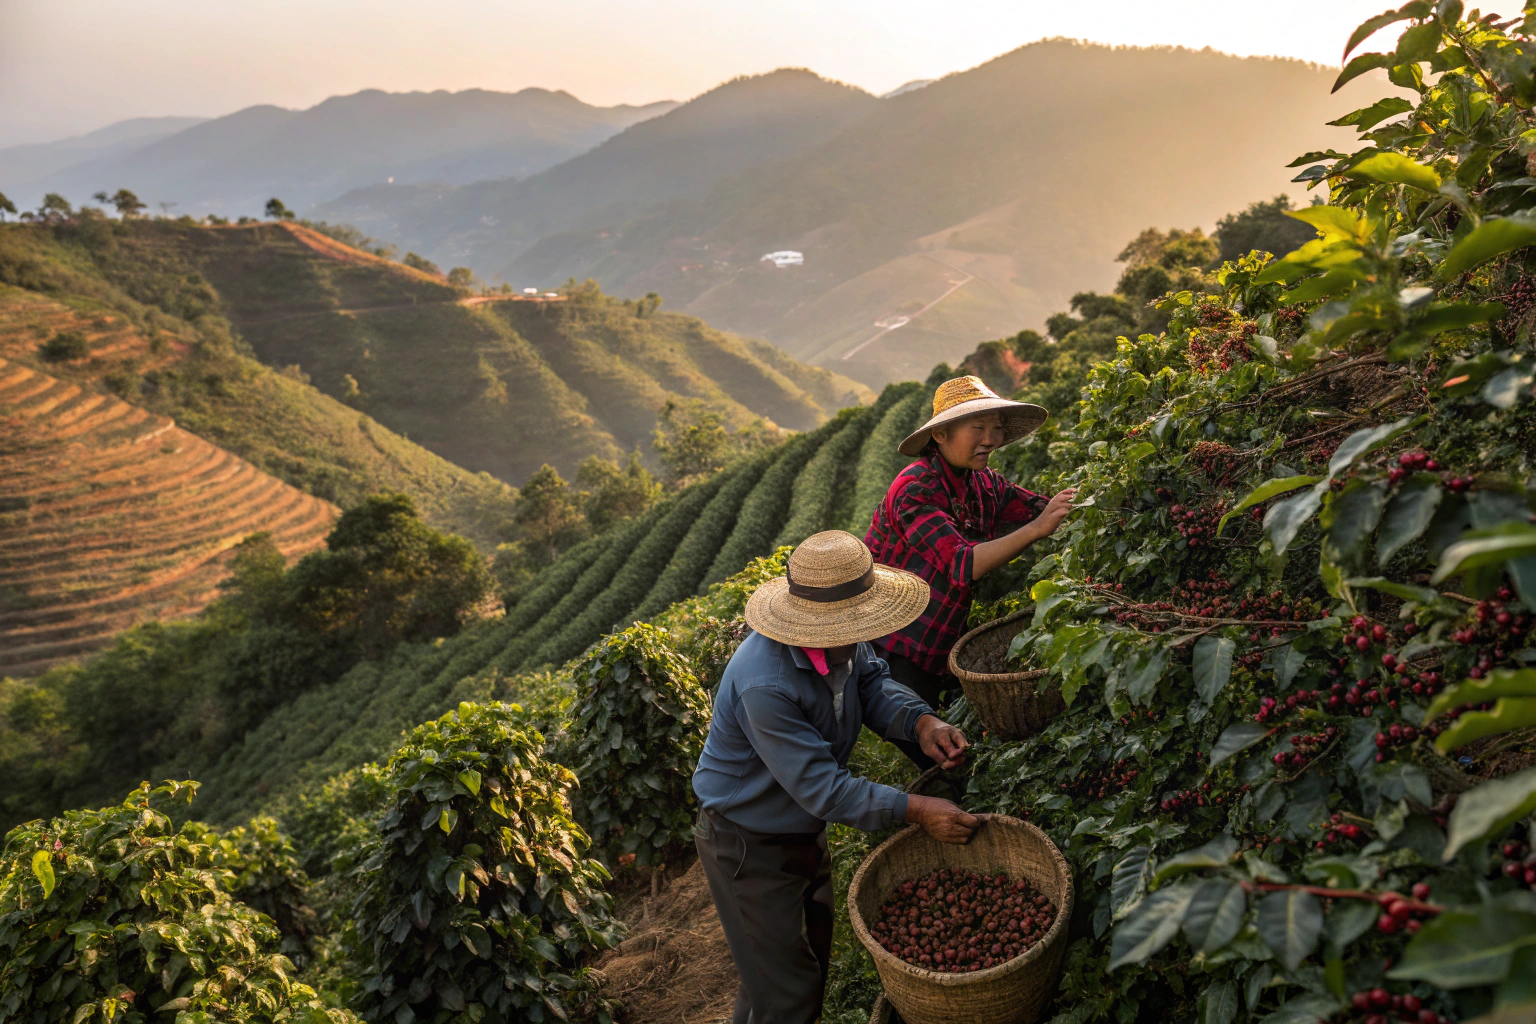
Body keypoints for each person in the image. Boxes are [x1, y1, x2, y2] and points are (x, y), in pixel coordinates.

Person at [692, 530, 983, 1024]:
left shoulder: (841, 640)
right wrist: (916, 810)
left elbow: (871, 683)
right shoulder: (765, 684)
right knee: (789, 992)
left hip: (799, 826)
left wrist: (921, 722)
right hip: (746, 842)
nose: (858, 632)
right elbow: (823, 788)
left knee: (785, 968)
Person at [865, 376, 1076, 765]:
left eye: (996, 427)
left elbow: (1035, 506)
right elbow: (963, 564)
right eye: (978, 427)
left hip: (941, 644)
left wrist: (1079, 503)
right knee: (940, 756)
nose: (990, 439)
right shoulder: (915, 488)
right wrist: (1038, 528)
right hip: (893, 652)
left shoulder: (983, 483)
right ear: (940, 434)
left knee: (967, 750)